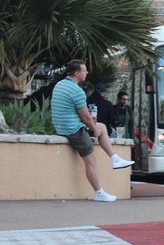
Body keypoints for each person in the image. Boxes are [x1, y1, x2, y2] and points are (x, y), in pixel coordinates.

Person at [50, 60, 134, 202]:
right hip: (72, 129)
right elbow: (86, 117)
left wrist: (96, 127)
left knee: (101, 126)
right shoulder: (77, 91)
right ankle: (99, 192)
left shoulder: (60, 84)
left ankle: (115, 159)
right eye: (84, 70)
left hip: (62, 125)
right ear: (77, 73)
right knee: (91, 160)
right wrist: (94, 130)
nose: (87, 72)